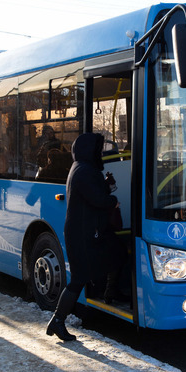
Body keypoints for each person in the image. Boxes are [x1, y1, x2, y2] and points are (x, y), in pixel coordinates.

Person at [46, 133, 126, 342]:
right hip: (84, 235)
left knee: (116, 252)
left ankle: (111, 292)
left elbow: (93, 195)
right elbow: (97, 199)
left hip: (87, 231)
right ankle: (57, 321)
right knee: (79, 279)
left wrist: (107, 187)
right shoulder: (85, 171)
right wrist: (112, 200)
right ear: (89, 150)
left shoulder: (81, 167)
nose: (100, 153)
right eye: (98, 149)